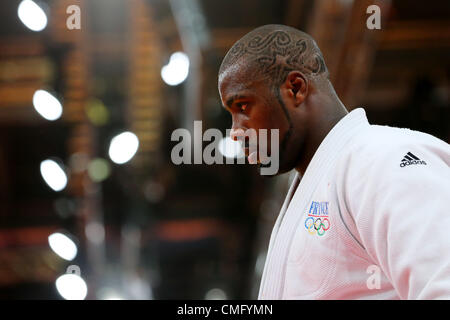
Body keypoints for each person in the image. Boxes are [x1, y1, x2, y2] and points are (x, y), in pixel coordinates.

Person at [218, 24, 450, 299]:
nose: (235, 132)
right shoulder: (317, 181)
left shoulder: (383, 157)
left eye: (242, 107)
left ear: (295, 89)